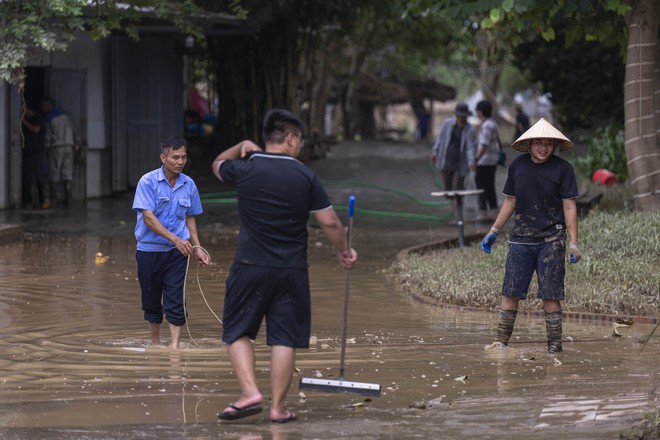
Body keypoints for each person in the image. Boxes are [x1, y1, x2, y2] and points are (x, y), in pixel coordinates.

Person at [211, 109, 357, 424]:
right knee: (284, 338)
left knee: (236, 331)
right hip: (292, 271)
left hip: (249, 266)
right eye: (299, 141)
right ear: (290, 138)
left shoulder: (245, 168)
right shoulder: (306, 176)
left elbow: (216, 164)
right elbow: (330, 223)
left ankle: (250, 392)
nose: (300, 147)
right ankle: (278, 408)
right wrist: (344, 251)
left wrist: (241, 146)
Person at [481, 118, 580, 354]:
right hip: (520, 240)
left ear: (554, 145)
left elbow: (569, 206)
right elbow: (510, 201)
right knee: (510, 292)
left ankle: (555, 348)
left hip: (552, 241)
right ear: (528, 144)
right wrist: (494, 231)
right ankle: (501, 343)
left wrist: (574, 243)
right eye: (538, 143)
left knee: (550, 296)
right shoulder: (517, 166)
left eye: (548, 143)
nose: (543, 148)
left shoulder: (563, 169)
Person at [132, 136, 209, 349]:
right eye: (175, 157)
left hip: (178, 253)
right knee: (151, 300)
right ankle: (155, 344)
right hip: (149, 251)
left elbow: (190, 216)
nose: (180, 162)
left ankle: (174, 347)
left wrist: (197, 247)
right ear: (163, 157)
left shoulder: (189, 184)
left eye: (184, 157)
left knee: (175, 299)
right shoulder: (147, 182)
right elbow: (148, 217)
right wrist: (175, 239)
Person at [431, 102, 477, 223]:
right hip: (445, 161)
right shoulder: (447, 124)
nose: (461, 119)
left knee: (458, 189)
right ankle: (457, 215)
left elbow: (471, 147)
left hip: (460, 164)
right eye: (459, 116)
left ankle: (458, 217)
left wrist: (472, 161)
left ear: (467, 117)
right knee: (450, 191)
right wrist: (435, 152)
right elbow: (440, 139)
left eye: (463, 116)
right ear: (456, 115)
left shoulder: (469, 130)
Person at [40, 97, 80, 206]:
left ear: (48, 105)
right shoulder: (65, 116)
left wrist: (45, 148)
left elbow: (48, 136)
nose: (42, 109)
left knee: (54, 172)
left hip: (56, 147)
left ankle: (53, 198)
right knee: (68, 172)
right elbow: (74, 129)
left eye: (43, 106)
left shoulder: (48, 118)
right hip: (69, 146)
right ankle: (68, 197)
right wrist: (76, 142)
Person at [20, 105, 51, 209]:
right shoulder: (26, 120)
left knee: (42, 178)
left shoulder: (37, 118)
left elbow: (36, 129)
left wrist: (23, 121)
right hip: (28, 154)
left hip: (38, 153)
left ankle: (45, 200)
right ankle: (32, 202)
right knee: (29, 180)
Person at [475, 100, 501, 221]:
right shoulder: (493, 123)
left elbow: (484, 144)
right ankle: (493, 210)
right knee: (489, 185)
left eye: (478, 111)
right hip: (493, 159)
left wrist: (476, 158)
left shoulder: (486, 125)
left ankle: (484, 212)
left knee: (481, 185)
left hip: (485, 161)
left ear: (480, 112)